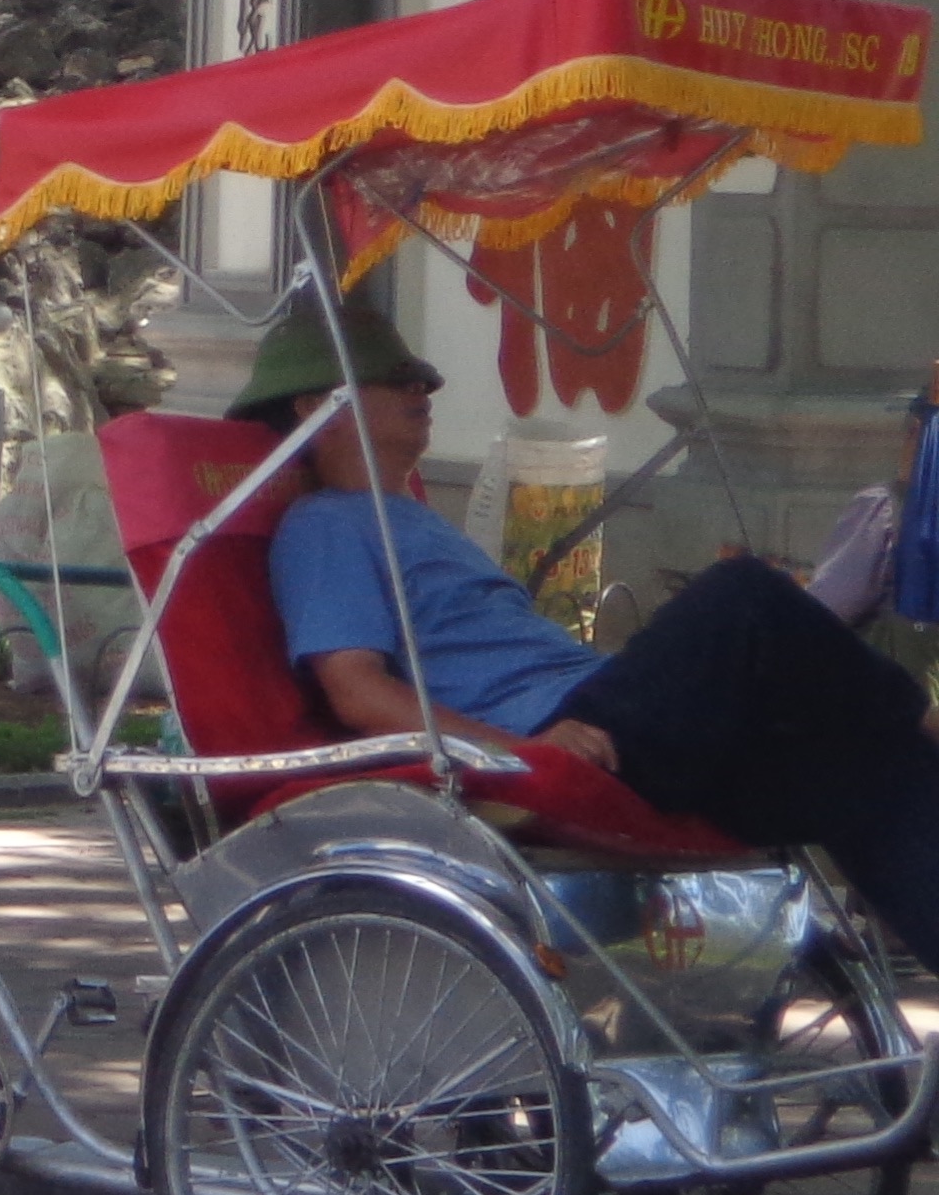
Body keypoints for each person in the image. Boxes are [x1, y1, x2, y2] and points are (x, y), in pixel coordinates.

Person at [250, 309, 939, 967]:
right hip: (560, 727)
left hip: (598, 703)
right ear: (316, 407)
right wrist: (515, 752)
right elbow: (357, 692)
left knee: (868, 766)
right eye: (396, 377)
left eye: (424, 377)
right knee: (744, 594)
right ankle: (919, 712)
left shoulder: (413, 518)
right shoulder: (326, 524)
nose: (423, 389)